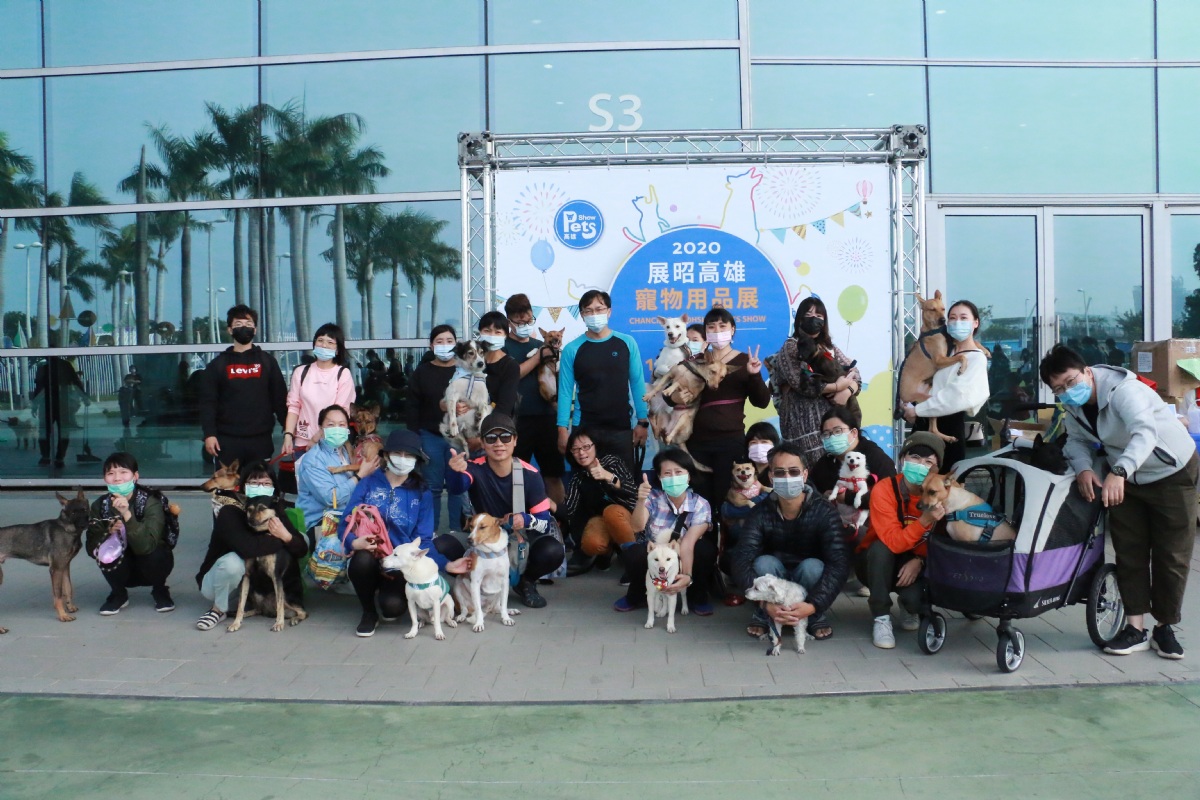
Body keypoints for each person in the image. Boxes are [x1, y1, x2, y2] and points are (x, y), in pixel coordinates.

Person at [1040, 344, 1197, 659]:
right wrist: (1084, 469)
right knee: (1129, 550)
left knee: (1171, 553)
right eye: (1058, 389)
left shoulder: (1125, 391)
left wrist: (1120, 471)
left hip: (1170, 470)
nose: (1067, 392)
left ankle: (1164, 627)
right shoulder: (1074, 406)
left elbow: (1144, 433)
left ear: (1087, 371)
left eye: (1070, 382)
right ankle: (1135, 629)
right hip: (1125, 479)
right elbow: (1076, 440)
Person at [338, 429, 471, 637]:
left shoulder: (422, 492)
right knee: (361, 561)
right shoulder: (368, 483)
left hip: (400, 564)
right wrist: (355, 543)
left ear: (416, 460)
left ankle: (385, 592)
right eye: (397, 453)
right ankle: (368, 612)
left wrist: (447, 565)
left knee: (392, 608)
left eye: (409, 455)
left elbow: (424, 540)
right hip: (370, 556)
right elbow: (344, 523)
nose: (402, 459)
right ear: (386, 455)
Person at [444, 413, 567, 609]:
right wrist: (455, 472)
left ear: (515, 440)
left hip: (520, 540)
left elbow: (544, 523)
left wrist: (526, 520)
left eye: (506, 437)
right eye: (491, 438)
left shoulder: (531, 474)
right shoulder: (474, 468)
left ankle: (526, 582)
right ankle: (479, 579)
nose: (499, 443)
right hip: (483, 538)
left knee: (553, 550)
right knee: (442, 545)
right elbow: (457, 487)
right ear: (482, 443)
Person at [729, 442, 849, 641]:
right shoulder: (759, 512)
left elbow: (839, 563)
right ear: (771, 477)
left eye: (794, 472)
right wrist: (765, 604)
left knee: (813, 567)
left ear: (804, 475)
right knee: (763, 563)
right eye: (780, 472)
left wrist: (813, 605)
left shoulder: (825, 511)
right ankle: (766, 613)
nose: (787, 478)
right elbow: (741, 559)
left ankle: (813, 614)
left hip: (808, 579)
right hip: (774, 578)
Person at [193, 461, 307, 631]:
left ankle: (278, 599)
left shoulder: (272, 507)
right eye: (254, 482)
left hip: (248, 580)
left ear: (273, 487)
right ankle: (218, 609)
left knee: (300, 538)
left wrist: (287, 536)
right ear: (243, 485)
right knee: (234, 562)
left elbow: (302, 549)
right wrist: (281, 538)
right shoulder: (229, 510)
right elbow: (248, 549)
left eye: (266, 483)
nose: (260, 486)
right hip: (216, 581)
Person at [856, 432, 944, 649]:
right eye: (915, 457)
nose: (921, 465)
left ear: (937, 468)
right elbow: (893, 542)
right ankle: (881, 617)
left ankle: (908, 605)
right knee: (881, 549)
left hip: (914, 560)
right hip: (874, 561)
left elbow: (943, 540)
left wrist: (920, 560)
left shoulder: (942, 493)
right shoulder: (884, 489)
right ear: (903, 458)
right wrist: (924, 520)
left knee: (916, 601)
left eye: (928, 462)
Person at [612, 447, 719, 616]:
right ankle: (637, 594)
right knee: (634, 553)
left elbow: (689, 543)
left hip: (684, 553)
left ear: (689, 475)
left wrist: (687, 576)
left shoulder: (700, 504)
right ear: (660, 477)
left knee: (705, 550)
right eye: (667, 473)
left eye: (679, 472)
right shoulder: (653, 498)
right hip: (656, 553)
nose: (673, 477)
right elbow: (637, 527)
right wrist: (640, 500)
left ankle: (696, 595)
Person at [687, 307, 772, 518]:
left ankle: (726, 539)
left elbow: (762, 402)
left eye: (722, 326)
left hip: (730, 442)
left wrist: (754, 375)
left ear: (732, 330)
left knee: (728, 500)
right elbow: (672, 398)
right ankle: (704, 537)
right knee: (700, 501)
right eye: (711, 327)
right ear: (706, 332)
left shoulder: (744, 361)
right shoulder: (697, 361)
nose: (717, 331)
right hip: (697, 442)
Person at [557, 290, 649, 474]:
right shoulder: (571, 349)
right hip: (585, 429)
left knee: (623, 484)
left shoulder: (626, 343)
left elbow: (637, 383)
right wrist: (562, 430)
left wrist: (643, 422)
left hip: (621, 428)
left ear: (609, 311)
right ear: (582, 315)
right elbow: (565, 392)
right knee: (586, 484)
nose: (594, 314)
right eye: (588, 311)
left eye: (599, 309)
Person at [772, 297, 862, 468]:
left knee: (837, 468)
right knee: (809, 469)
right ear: (799, 318)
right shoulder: (791, 346)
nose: (814, 319)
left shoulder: (830, 348)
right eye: (808, 314)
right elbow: (799, 383)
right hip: (802, 423)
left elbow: (855, 373)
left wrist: (847, 391)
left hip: (833, 421)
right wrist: (837, 386)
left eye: (819, 316)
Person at [901, 299, 990, 469]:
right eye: (953, 318)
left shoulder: (976, 358)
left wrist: (918, 410)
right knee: (915, 480)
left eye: (963, 318)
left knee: (943, 482)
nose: (957, 322)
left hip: (948, 427)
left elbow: (958, 396)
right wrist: (909, 406)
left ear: (975, 323)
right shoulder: (945, 351)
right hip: (922, 424)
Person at [84, 452, 176, 615]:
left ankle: (160, 590)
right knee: (105, 551)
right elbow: (91, 548)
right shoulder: (100, 505)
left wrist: (127, 515)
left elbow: (146, 546)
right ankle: (118, 593)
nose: (117, 478)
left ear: (135, 476)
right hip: (121, 564)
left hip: (150, 562)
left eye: (123, 472)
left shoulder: (151, 501)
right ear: (104, 478)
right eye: (111, 473)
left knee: (156, 552)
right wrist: (107, 533)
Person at [199, 305, 288, 469]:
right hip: (227, 440)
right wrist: (209, 434)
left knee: (261, 483)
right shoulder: (217, 365)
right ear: (230, 330)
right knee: (228, 486)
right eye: (238, 324)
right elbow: (208, 403)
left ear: (255, 329)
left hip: (260, 439)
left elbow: (280, 399)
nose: (244, 328)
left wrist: (288, 431)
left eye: (248, 324)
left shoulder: (267, 362)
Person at [504, 293, 566, 507]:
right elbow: (512, 375)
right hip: (516, 421)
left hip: (548, 417)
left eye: (528, 319)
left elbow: (561, 377)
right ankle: (518, 521)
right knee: (516, 476)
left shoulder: (543, 343)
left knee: (553, 474)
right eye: (519, 320)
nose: (524, 323)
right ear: (509, 321)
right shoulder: (502, 347)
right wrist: (539, 356)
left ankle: (561, 521)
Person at [405, 325, 466, 532]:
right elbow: (412, 407)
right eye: (439, 341)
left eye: (449, 341)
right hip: (430, 436)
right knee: (433, 488)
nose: (444, 345)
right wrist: (414, 439)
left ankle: (456, 533)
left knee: (458, 486)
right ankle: (431, 534)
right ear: (431, 345)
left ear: (456, 344)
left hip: (459, 437)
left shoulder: (464, 370)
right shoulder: (422, 372)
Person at [295, 405, 378, 545]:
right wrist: (359, 476)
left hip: (348, 518)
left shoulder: (346, 451)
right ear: (321, 429)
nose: (337, 429)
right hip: (322, 524)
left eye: (342, 425)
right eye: (331, 425)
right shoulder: (313, 460)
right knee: (361, 548)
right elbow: (331, 499)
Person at [562, 427, 639, 573]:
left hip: (629, 517)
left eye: (586, 447)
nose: (581, 453)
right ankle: (608, 551)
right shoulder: (578, 478)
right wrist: (549, 505)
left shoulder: (612, 462)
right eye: (575, 449)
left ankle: (634, 560)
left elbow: (633, 492)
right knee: (591, 543)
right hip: (602, 519)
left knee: (612, 512)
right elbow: (569, 510)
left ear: (596, 446)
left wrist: (608, 476)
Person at [282, 323, 356, 457]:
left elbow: (340, 412)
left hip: (331, 443)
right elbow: (293, 407)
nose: (324, 345)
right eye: (320, 340)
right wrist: (288, 435)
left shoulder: (343, 374)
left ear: (337, 349)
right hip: (302, 443)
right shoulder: (301, 372)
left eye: (330, 342)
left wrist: (316, 438)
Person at [808, 407, 896, 515]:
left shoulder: (875, 457)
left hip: (874, 520)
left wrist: (848, 497)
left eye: (838, 431)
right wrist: (822, 497)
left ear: (854, 432)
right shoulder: (826, 461)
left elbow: (890, 494)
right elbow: (811, 487)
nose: (832, 437)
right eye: (826, 434)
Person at [31, 356, 89, 468]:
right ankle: (57, 458)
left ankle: (49, 457)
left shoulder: (48, 367)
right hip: (56, 402)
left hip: (53, 403)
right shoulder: (59, 366)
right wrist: (84, 396)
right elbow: (76, 381)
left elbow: (38, 387)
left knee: (48, 431)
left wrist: (34, 404)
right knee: (60, 431)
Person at [476, 311, 521, 422]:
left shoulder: (510, 366)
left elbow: (505, 406)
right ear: (480, 332)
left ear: (505, 336)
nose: (492, 336)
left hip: (494, 425)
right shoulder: (471, 361)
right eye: (487, 331)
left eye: (498, 332)